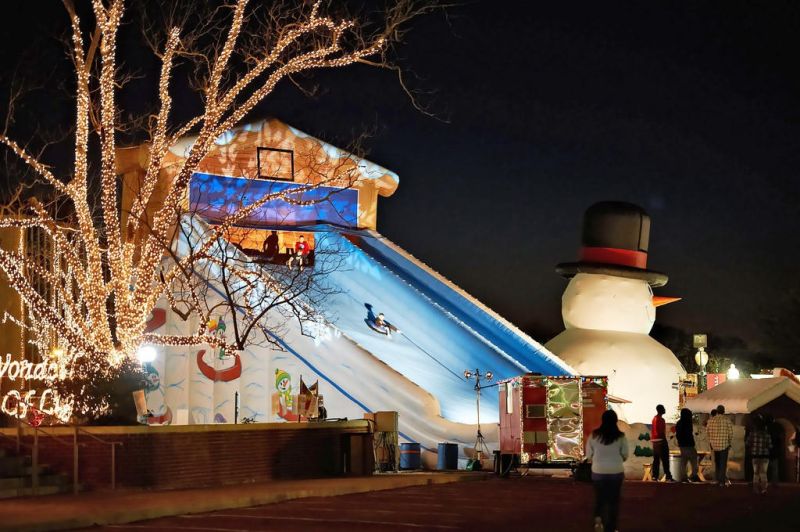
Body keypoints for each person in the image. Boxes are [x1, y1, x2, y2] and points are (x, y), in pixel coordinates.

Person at [586, 409, 629, 532]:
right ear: (615, 421)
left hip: (598, 473)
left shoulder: (594, 435)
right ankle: (612, 527)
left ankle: (598, 520)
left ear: (603, 420)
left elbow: (589, 456)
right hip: (616, 472)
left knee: (600, 498)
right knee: (614, 501)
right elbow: (625, 455)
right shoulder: (621, 436)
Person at [707, 404, 734, 486]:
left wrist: (711, 442)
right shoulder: (727, 420)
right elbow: (730, 433)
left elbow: (707, 432)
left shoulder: (711, 420)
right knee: (723, 464)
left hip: (714, 445)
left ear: (717, 411)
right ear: (724, 411)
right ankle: (721, 481)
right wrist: (729, 443)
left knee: (717, 463)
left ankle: (717, 479)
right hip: (724, 445)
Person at [747, 414, 773, 494]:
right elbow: (770, 446)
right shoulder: (767, 435)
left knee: (756, 473)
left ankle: (755, 490)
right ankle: (764, 489)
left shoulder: (752, 434)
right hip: (765, 456)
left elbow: (747, 443)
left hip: (755, 456)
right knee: (763, 473)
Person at [676, 407, 700, 482]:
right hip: (689, 444)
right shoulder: (688, 423)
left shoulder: (678, 423)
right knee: (694, 459)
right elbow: (689, 434)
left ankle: (683, 476)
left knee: (684, 461)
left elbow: (678, 434)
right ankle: (694, 475)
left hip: (682, 445)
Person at [651, 404, 674, 481]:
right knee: (665, 460)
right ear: (660, 410)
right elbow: (661, 432)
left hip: (655, 442)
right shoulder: (661, 420)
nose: (665, 410)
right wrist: (665, 441)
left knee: (656, 460)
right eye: (663, 408)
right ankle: (668, 475)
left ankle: (655, 476)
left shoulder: (654, 419)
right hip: (661, 441)